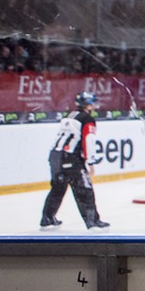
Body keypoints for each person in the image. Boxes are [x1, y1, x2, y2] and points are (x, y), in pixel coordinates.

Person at [40, 91, 108, 229]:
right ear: (87, 105)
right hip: (71, 158)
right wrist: (90, 162)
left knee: (58, 189)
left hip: (55, 156)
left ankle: (47, 219)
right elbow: (88, 140)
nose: (94, 106)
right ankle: (92, 222)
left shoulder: (68, 116)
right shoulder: (87, 118)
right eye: (92, 103)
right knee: (84, 189)